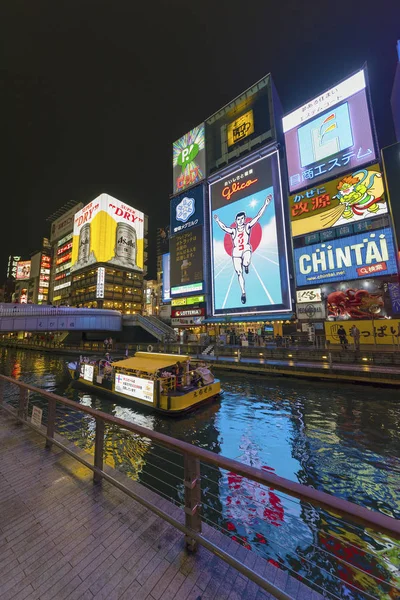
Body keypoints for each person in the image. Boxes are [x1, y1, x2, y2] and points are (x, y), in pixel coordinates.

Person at [213, 194, 272, 304]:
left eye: (242, 219)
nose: (240, 221)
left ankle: (246, 265)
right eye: (238, 219)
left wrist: (265, 204)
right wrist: (217, 220)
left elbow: (258, 216)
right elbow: (224, 227)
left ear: (244, 219)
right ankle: (243, 292)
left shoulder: (247, 226)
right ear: (235, 221)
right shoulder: (233, 230)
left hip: (246, 249)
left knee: (246, 261)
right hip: (236, 253)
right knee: (239, 273)